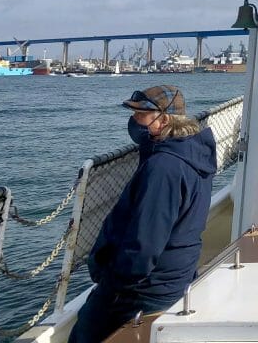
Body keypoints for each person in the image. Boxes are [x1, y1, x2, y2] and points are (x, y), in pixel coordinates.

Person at [69, 86, 217, 343]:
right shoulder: (191, 152)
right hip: (175, 275)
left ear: (164, 120)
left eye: (141, 116)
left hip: (142, 290)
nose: (134, 121)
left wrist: (112, 281)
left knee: (83, 334)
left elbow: (144, 246)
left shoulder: (163, 168)